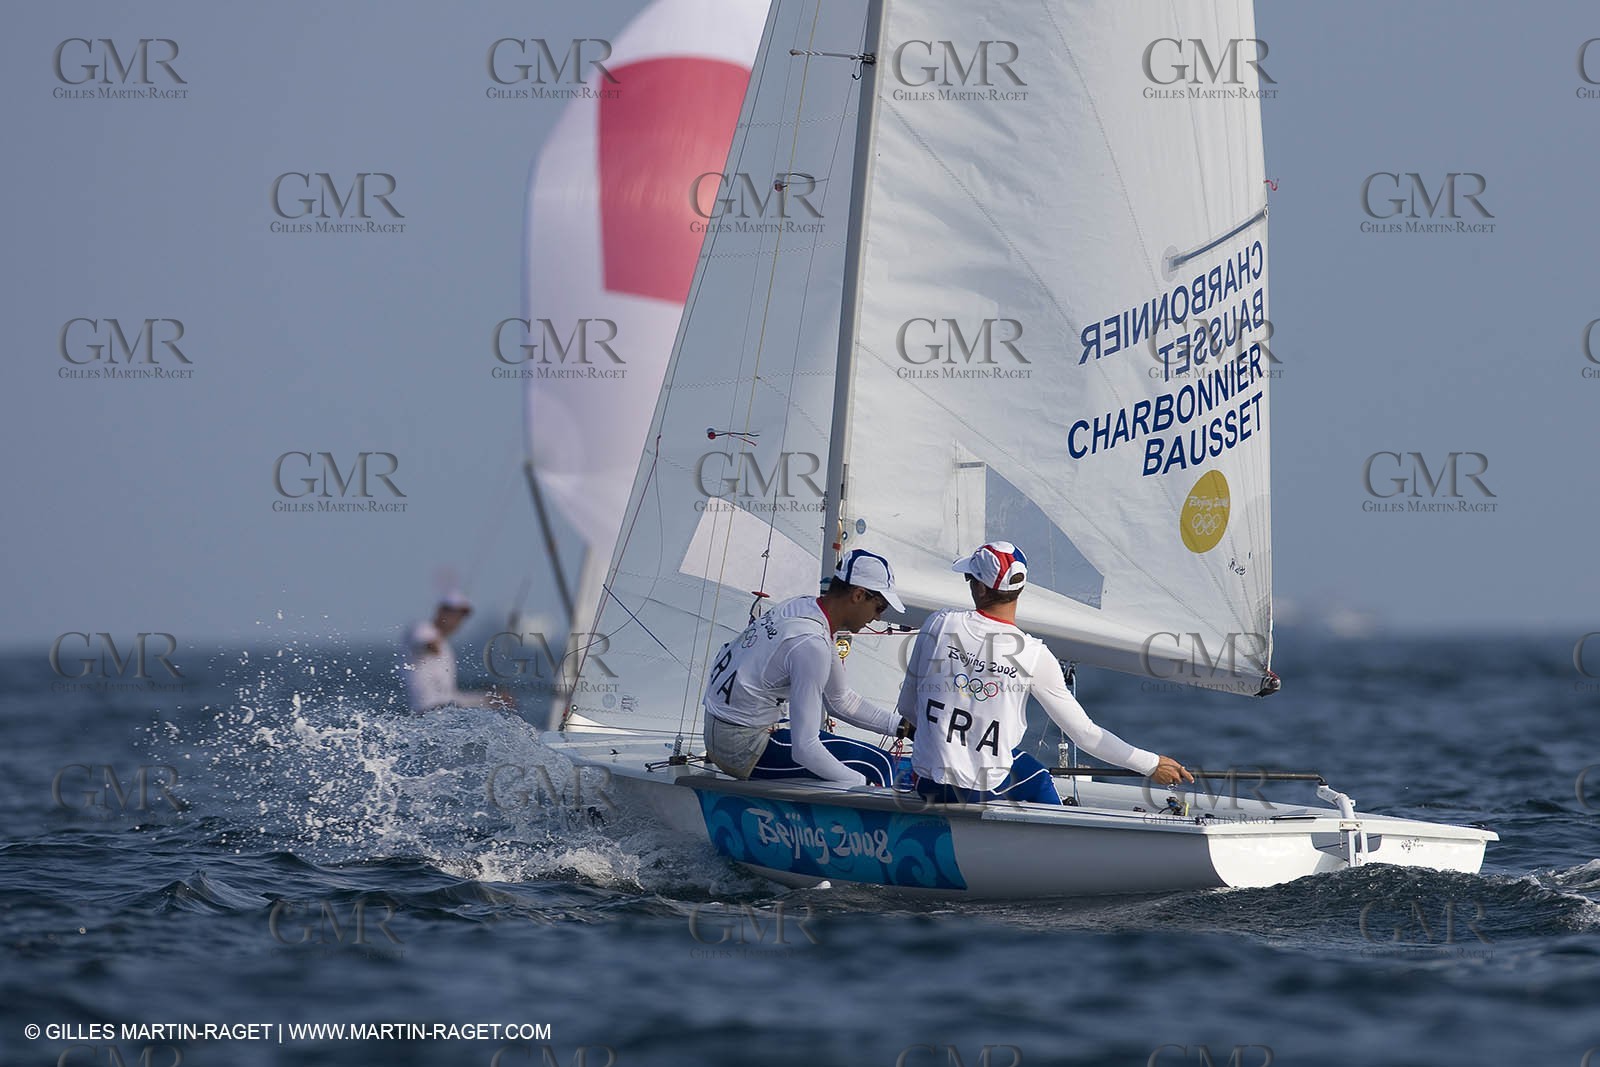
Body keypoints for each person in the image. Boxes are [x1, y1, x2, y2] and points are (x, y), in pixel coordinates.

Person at [896, 541, 1191, 804]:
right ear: (1019, 589)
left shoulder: (938, 624)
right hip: (979, 790)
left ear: (981, 588)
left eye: (969, 578)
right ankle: (1064, 847)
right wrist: (1152, 764)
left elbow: (907, 708)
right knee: (1034, 774)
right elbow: (1086, 736)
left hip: (928, 786)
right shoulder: (1034, 654)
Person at [702, 549, 915, 787]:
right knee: (878, 765)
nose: (877, 618)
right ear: (858, 595)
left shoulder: (804, 608)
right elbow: (804, 749)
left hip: (721, 733)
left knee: (869, 762)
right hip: (741, 746)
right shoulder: (811, 643)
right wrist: (861, 786)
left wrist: (904, 728)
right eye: (880, 607)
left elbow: (840, 701)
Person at [403, 592, 514, 713]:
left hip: (443, 714)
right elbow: (427, 644)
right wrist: (432, 644)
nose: (456, 621)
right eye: (453, 614)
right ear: (440, 611)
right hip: (425, 713)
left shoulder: (446, 646)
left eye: (460, 617)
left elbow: (449, 696)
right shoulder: (422, 628)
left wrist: (490, 700)